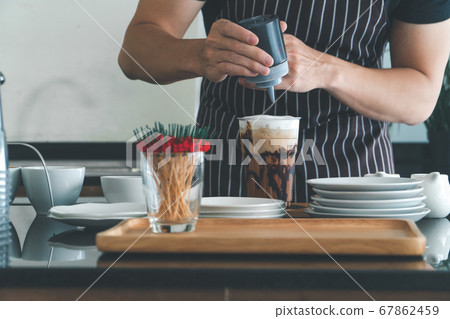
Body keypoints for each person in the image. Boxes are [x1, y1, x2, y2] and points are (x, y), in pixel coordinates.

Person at [118, 0, 450, 202]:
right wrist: (202, 55)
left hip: (355, 190)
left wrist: (325, 70)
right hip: (230, 190)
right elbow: (134, 53)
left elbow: (419, 97)